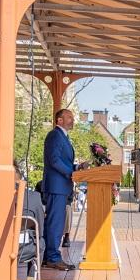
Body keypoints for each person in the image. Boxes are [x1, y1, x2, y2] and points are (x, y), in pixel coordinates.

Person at [42, 108, 88, 270]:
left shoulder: (64, 137)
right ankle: (53, 257)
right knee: (56, 223)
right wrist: (71, 173)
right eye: (69, 117)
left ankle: (47, 256)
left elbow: (64, 162)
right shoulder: (55, 135)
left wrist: (78, 167)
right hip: (56, 186)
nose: (72, 120)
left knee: (55, 222)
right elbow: (54, 160)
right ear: (59, 120)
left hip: (61, 186)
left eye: (72, 117)